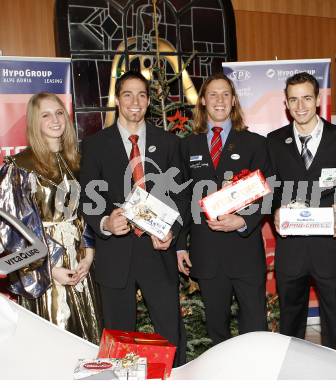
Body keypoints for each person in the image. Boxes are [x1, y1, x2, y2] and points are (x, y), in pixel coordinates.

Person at [79, 70, 186, 365]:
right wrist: (105, 223)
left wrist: (172, 232)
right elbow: (88, 199)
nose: (135, 101)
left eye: (141, 95)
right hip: (116, 255)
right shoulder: (95, 145)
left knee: (170, 337)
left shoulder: (169, 144)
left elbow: (181, 197)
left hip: (157, 251)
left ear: (149, 100)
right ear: (117, 99)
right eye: (128, 94)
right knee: (118, 341)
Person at [267, 72, 336, 350]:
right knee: (291, 328)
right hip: (292, 251)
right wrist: (274, 210)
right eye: (293, 100)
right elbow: (270, 188)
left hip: (331, 250)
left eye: (306, 98)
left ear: (318, 99)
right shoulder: (273, 142)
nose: (300, 106)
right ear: (285, 103)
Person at [176, 73, 271, 345]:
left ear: (233, 102)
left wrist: (242, 221)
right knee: (217, 330)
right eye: (213, 94)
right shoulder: (187, 146)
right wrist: (181, 245)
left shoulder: (255, 143)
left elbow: (268, 193)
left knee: (255, 329)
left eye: (225, 94)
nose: (219, 100)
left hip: (244, 253)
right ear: (203, 100)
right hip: (206, 255)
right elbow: (181, 200)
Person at [0, 92, 102, 343]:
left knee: (87, 338)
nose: (55, 120)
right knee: (54, 339)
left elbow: (87, 212)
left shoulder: (77, 161)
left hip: (80, 262)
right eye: (46, 115)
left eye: (59, 113)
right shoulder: (20, 166)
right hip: (44, 264)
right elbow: (12, 232)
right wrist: (50, 268)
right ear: (35, 121)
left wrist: (88, 254)